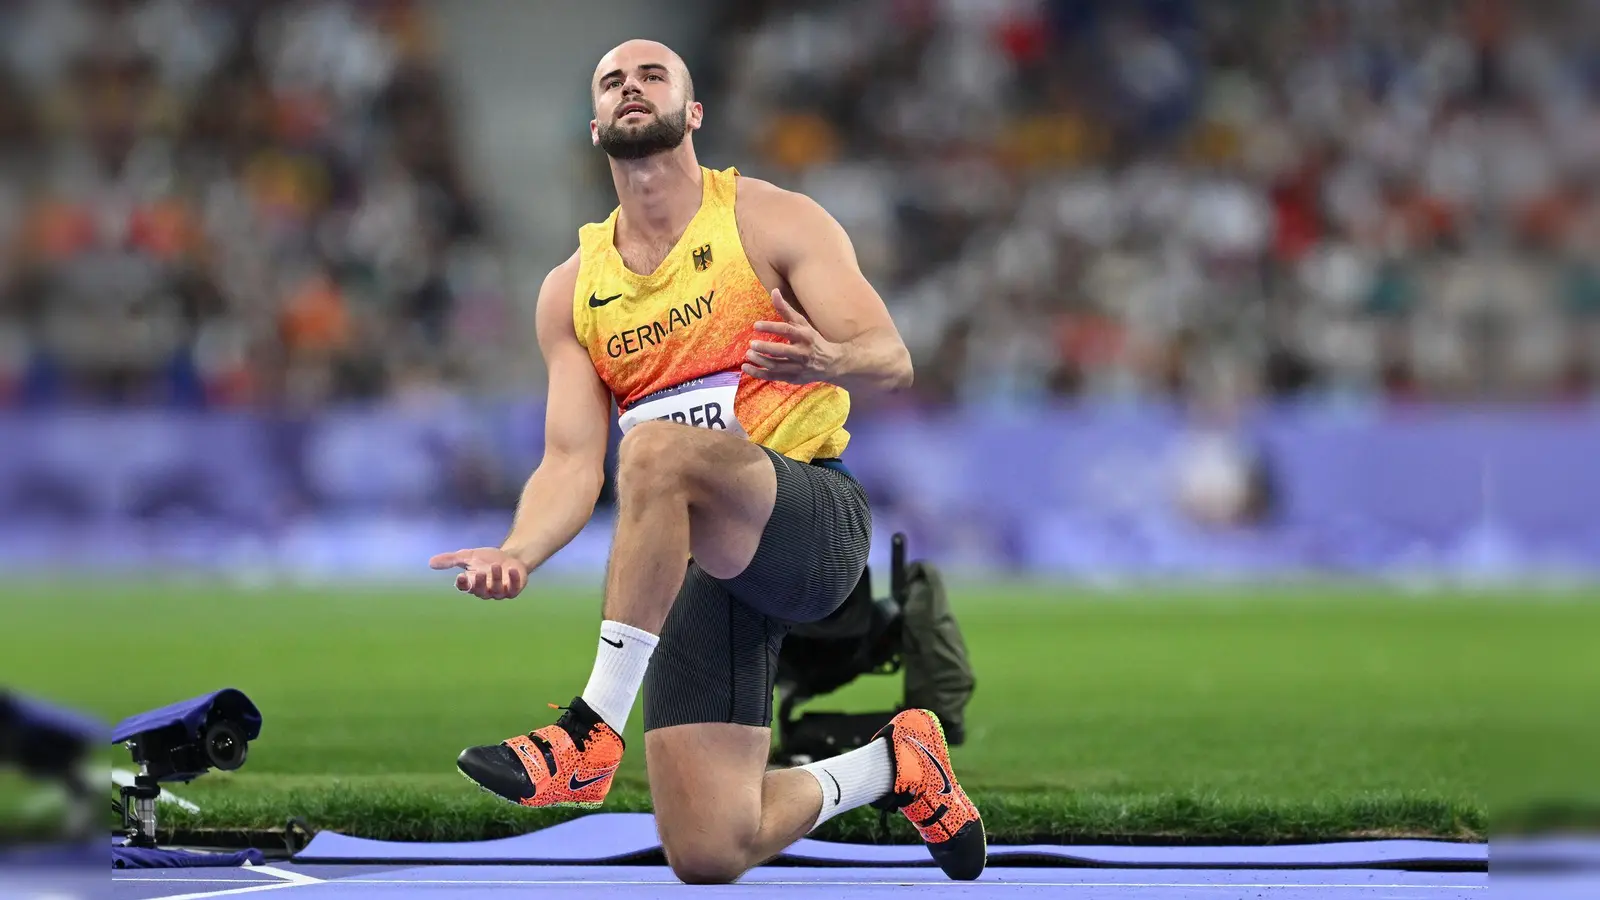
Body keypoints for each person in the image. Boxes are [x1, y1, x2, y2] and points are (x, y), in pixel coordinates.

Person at [429, 39, 985, 885]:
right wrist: (519, 550)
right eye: (612, 81)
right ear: (595, 125)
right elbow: (571, 463)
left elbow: (891, 355)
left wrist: (827, 358)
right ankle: (894, 765)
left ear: (692, 113)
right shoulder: (572, 290)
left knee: (652, 448)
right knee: (709, 849)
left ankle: (588, 734)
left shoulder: (768, 219)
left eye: (652, 76)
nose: (630, 88)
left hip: (813, 524)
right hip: (700, 570)